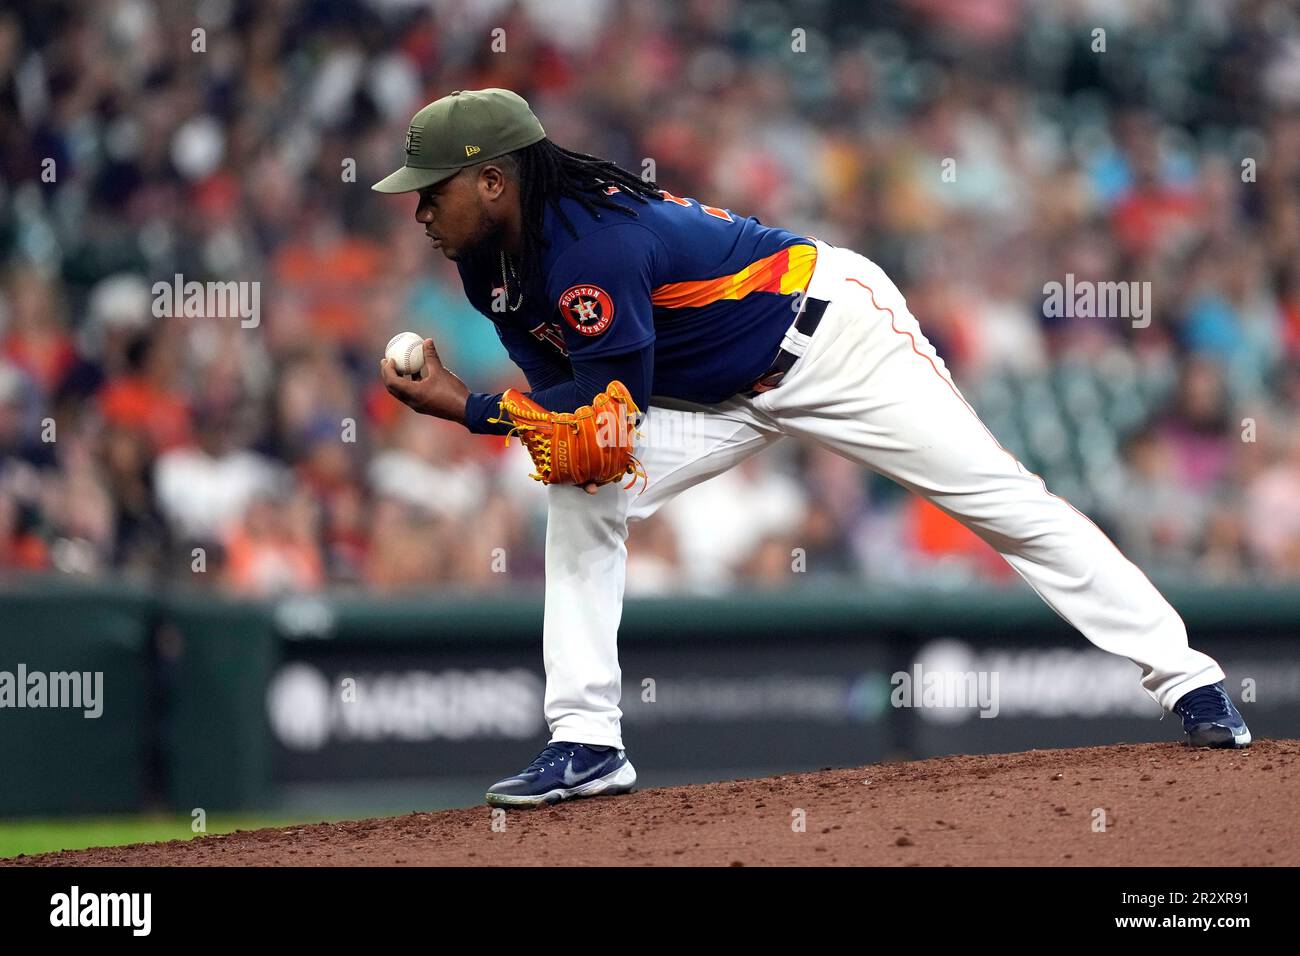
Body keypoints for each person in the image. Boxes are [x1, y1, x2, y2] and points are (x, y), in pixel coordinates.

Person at [376, 89, 1251, 809]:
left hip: (832, 341)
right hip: (712, 392)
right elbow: (577, 405)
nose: (417, 209)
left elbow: (608, 418)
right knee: (581, 493)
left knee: (1001, 501)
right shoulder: (490, 260)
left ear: (492, 180)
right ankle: (587, 741)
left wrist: (469, 407)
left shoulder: (590, 248)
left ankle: (1191, 681)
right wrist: (503, 411)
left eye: (432, 188)